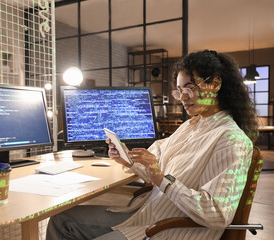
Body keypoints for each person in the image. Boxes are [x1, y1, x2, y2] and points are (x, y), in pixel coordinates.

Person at [46, 50, 259, 240]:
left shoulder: (232, 140)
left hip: (169, 230)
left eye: (189, 88)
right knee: (60, 220)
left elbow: (217, 213)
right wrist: (127, 158)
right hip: (147, 213)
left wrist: (160, 177)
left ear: (215, 84)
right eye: (178, 90)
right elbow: (154, 165)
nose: (183, 98)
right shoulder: (192, 126)